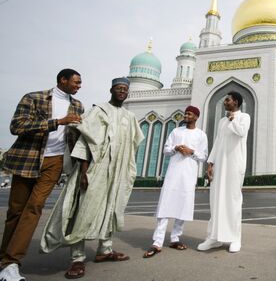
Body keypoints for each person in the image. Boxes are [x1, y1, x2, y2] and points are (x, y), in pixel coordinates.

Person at [39, 77, 144, 279]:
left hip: (117, 172)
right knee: (84, 211)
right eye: (118, 88)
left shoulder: (129, 117)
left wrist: (128, 171)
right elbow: (85, 140)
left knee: (111, 209)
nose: (122, 92)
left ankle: (105, 250)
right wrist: (84, 171)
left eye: (125, 89)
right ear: (111, 90)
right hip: (95, 170)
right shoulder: (99, 111)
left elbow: (133, 146)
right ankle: (77, 258)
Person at [0, 69, 83, 281]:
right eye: (75, 82)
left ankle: (11, 262)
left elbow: (76, 137)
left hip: (55, 161)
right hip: (28, 158)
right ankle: (3, 265)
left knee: (34, 207)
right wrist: (57, 122)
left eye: (80, 83)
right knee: (15, 211)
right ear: (62, 80)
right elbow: (17, 126)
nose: (78, 86)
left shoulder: (77, 105)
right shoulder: (34, 98)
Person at [143, 105, 208, 258]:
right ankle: (157, 242)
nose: (186, 115)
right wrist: (176, 148)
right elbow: (166, 150)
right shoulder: (176, 131)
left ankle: (175, 238)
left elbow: (203, 156)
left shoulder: (201, 135)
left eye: (189, 114)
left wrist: (190, 151)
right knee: (165, 205)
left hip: (189, 175)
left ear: (196, 117)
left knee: (182, 206)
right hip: (173, 173)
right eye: (185, 113)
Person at [197, 91, 250, 253]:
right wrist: (210, 163)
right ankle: (214, 238)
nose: (225, 102)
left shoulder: (244, 117)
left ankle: (235, 238)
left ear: (236, 102)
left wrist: (233, 119)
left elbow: (241, 132)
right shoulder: (222, 121)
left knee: (232, 201)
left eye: (227, 100)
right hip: (220, 165)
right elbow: (218, 142)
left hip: (235, 164)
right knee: (216, 200)